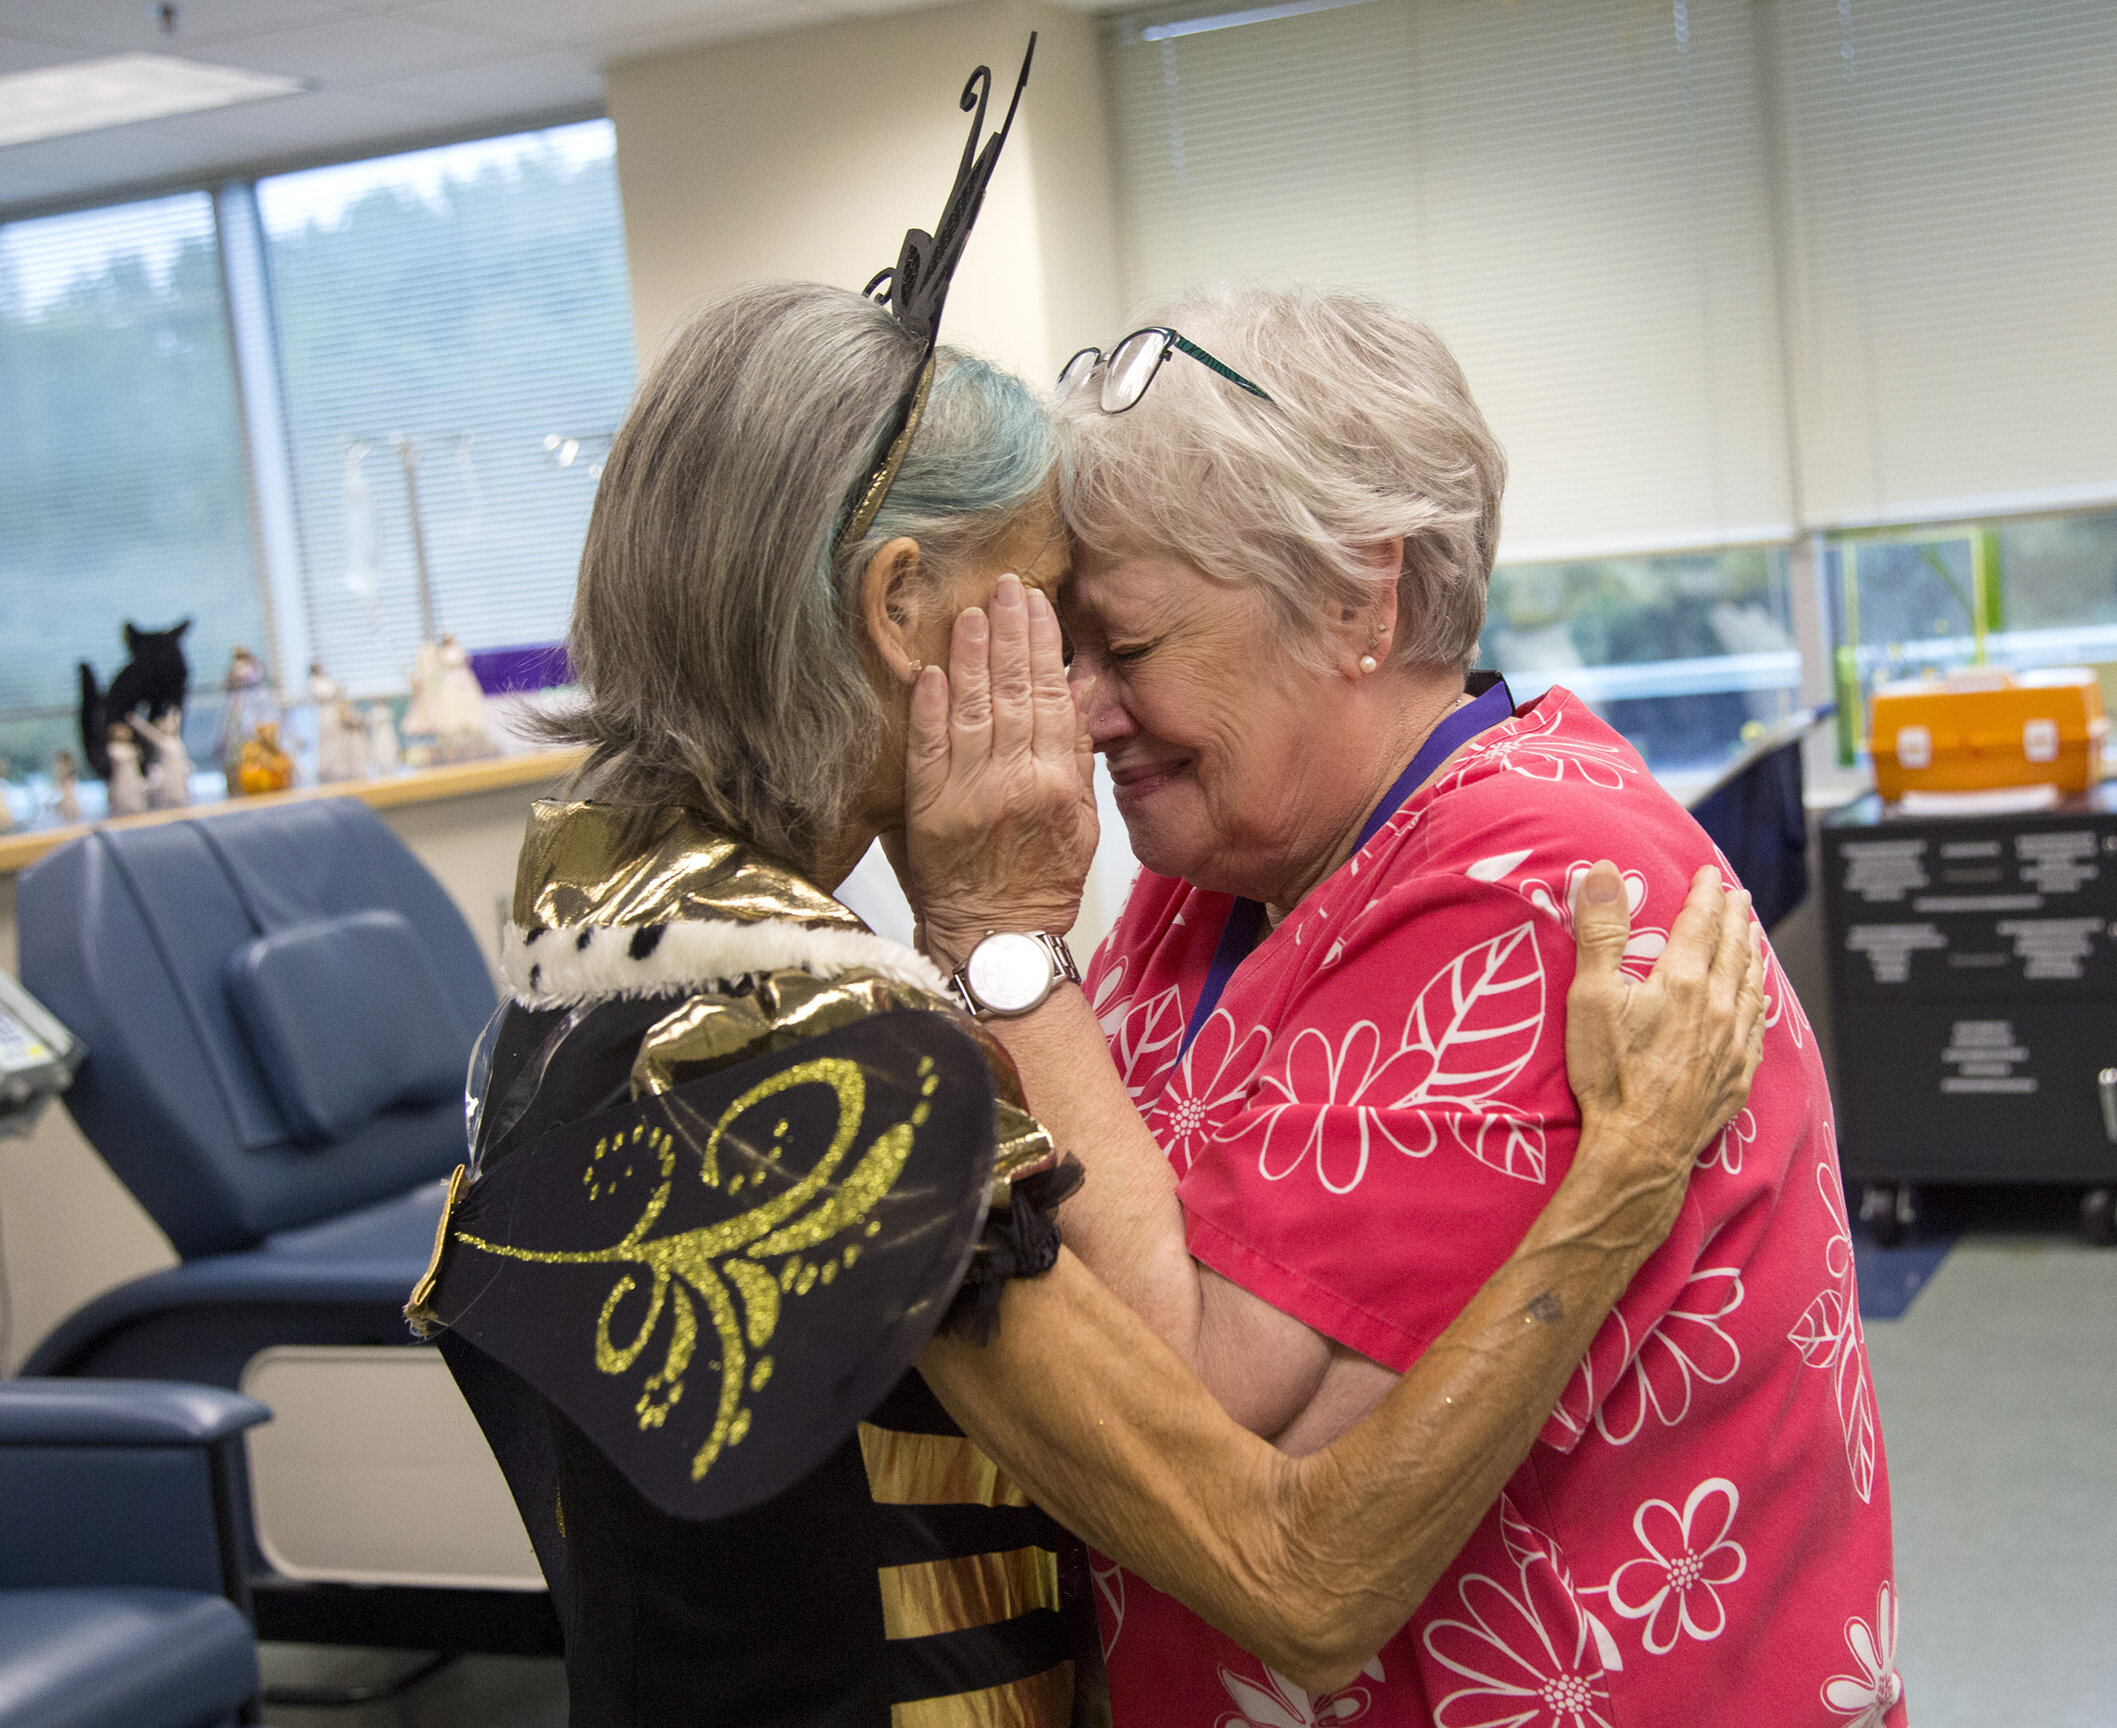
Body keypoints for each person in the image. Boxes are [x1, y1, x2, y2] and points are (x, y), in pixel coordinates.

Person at [413, 274, 1768, 1728]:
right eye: (1054, 621)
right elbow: (1298, 1579)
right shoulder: (801, 1054)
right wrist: (1623, 1177)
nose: (1076, 690)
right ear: (897, 606)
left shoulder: (591, 920)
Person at [903, 283, 1904, 1727]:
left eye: (1126, 648)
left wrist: (1003, 944)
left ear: (1360, 600)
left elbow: (1186, 1409)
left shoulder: (1538, 892)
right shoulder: (1230, 871)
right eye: (1067, 653)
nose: (1086, 709)